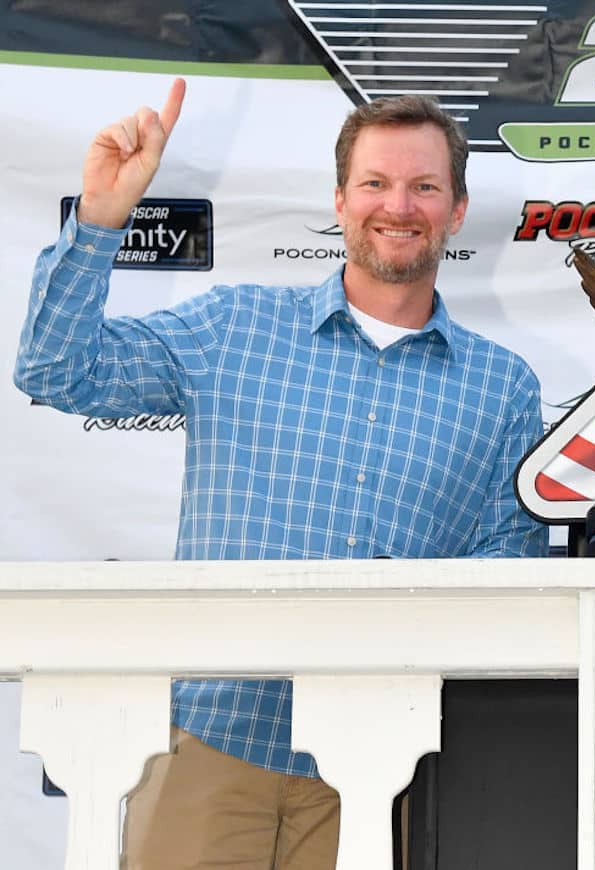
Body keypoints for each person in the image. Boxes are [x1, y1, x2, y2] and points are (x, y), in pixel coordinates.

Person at [14, 79, 548, 868]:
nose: (397, 205)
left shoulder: (503, 386)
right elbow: (56, 369)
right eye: (375, 182)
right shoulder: (233, 328)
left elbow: (513, 559)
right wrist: (100, 217)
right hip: (212, 744)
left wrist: (403, 604)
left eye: (424, 186)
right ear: (340, 199)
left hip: (383, 766)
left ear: (457, 210)